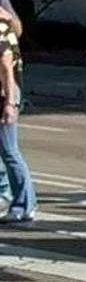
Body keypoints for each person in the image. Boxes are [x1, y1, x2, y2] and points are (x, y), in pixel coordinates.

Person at [0, 13, 33, 223]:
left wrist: (10, 103)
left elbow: (6, 69)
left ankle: (24, 204)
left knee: (9, 152)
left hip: (4, 95)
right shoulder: (5, 28)